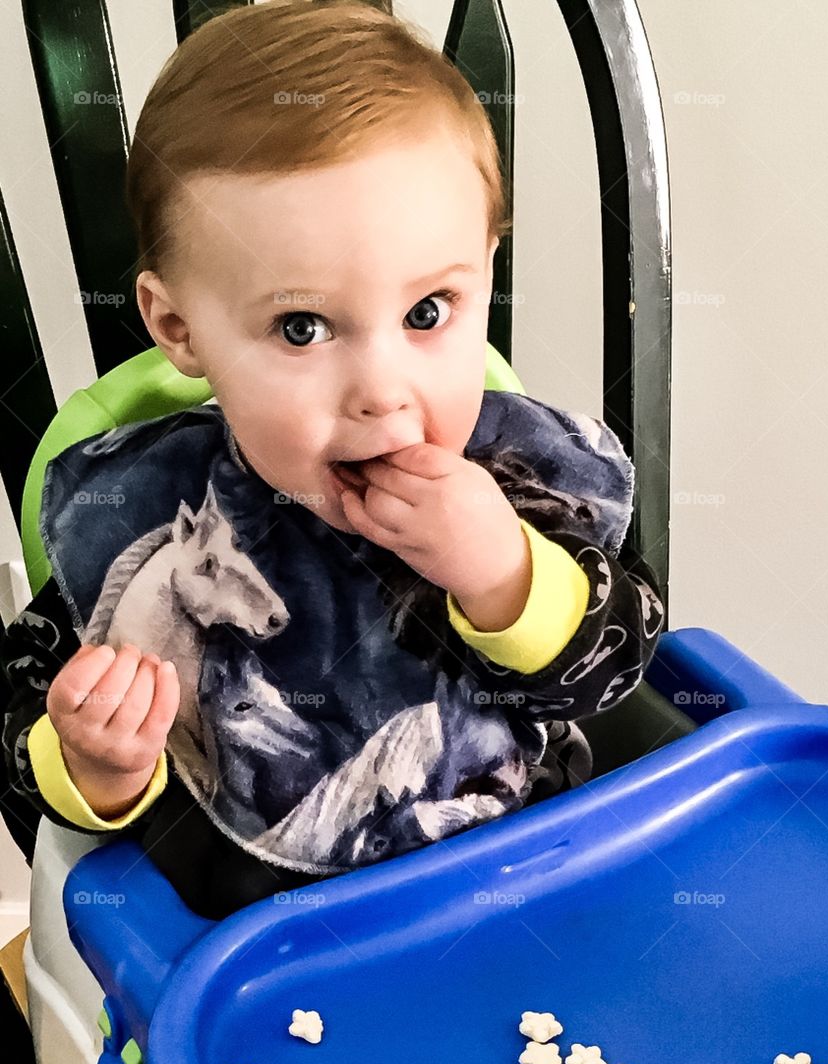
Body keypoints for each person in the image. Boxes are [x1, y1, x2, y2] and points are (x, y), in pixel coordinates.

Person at [0, 0, 665, 920]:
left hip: (545, 887)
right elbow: (24, 774)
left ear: (484, 268)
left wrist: (506, 577)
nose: (381, 391)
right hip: (268, 959)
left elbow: (626, 664)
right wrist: (98, 766)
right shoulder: (144, 519)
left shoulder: (513, 483)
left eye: (429, 312)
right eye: (302, 327)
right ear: (177, 327)